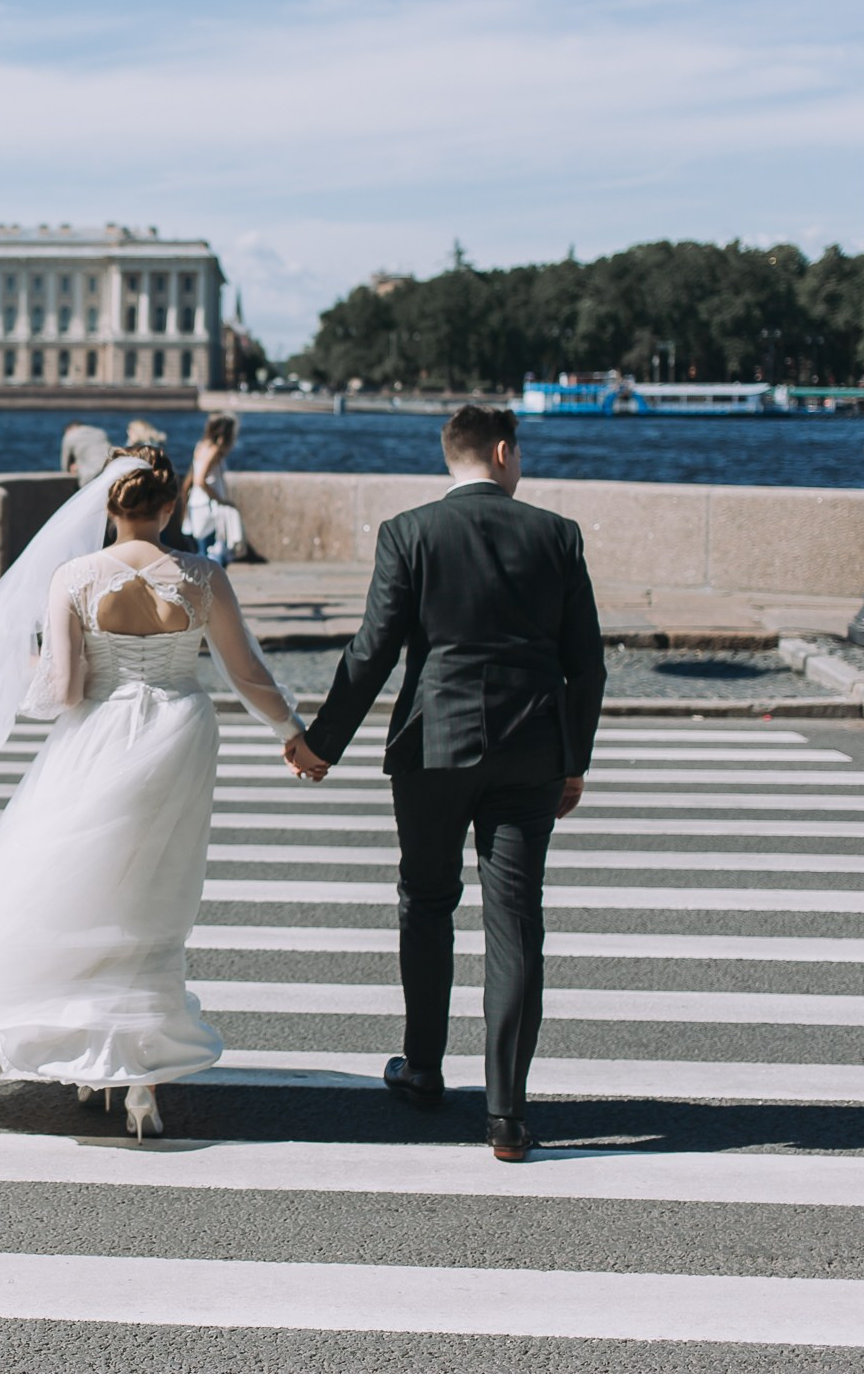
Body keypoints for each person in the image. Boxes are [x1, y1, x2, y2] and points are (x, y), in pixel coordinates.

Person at [0, 449, 320, 1139]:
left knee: (87, 891)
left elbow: (66, 691)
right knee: (155, 896)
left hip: (99, 738)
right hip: (180, 729)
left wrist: (28, 675)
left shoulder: (75, 576)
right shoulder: (202, 577)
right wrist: (290, 731)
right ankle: (140, 1081)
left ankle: (93, 1062)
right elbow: (248, 674)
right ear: (170, 505)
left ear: (108, 507)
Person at [287, 404, 603, 1163]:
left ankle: (423, 1070)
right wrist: (574, 758)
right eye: (518, 453)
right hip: (530, 751)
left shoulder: (409, 533)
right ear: (502, 451)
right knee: (516, 923)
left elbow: (372, 652)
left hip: (432, 747)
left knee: (426, 904)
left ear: (451, 456)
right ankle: (507, 1115)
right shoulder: (557, 535)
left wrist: (320, 743)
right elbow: (585, 662)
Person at [182, 411, 247, 564]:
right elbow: (200, 480)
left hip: (196, 503)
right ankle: (212, 586)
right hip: (208, 507)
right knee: (214, 554)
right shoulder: (214, 451)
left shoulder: (201, 446)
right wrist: (221, 501)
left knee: (203, 552)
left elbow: (192, 477)